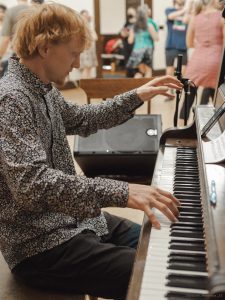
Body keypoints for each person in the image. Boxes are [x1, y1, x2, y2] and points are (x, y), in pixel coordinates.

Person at [0, 3, 182, 299]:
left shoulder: (42, 88)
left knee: (164, 241)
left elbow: (84, 119)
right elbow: (32, 186)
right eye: (73, 54)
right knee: (155, 273)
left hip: (74, 219)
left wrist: (137, 94)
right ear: (45, 48)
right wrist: (122, 192)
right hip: (40, 244)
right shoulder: (11, 99)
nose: (76, 63)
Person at [179, 0, 225, 123]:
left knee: (188, 99)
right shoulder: (222, 17)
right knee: (217, 100)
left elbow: (189, 43)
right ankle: (210, 131)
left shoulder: (195, 18)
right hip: (215, 62)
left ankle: (179, 131)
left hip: (197, 61)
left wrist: (202, 45)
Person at [126, 6, 159, 78]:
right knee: (148, 71)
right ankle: (147, 88)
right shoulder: (150, 24)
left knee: (139, 72)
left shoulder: (134, 26)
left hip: (137, 51)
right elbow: (156, 38)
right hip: (147, 50)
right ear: (147, 13)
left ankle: (138, 88)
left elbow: (130, 41)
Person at [165, 0, 188, 78]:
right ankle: (169, 90)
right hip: (171, 46)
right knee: (169, 71)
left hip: (183, 46)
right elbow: (170, 16)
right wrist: (184, 10)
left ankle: (180, 88)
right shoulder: (169, 10)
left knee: (183, 73)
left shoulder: (187, 13)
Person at [79, 9, 98, 79]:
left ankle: (88, 86)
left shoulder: (88, 25)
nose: (86, 17)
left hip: (90, 50)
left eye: (87, 15)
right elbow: (92, 37)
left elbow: (95, 37)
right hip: (85, 50)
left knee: (89, 69)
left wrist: (90, 22)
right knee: (86, 69)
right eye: (84, 15)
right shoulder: (81, 26)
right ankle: (84, 86)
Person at [120, 7, 137, 77]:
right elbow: (123, 33)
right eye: (128, 12)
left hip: (135, 45)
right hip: (126, 46)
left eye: (131, 12)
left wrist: (130, 32)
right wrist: (126, 32)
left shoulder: (138, 22)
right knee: (128, 62)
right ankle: (129, 77)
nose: (129, 14)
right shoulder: (127, 23)